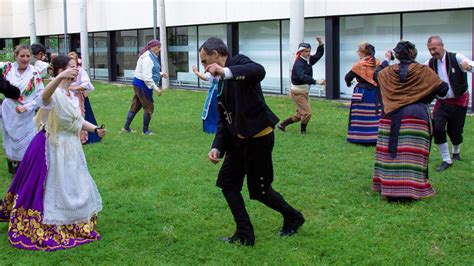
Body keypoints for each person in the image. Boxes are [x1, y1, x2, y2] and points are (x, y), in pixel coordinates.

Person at [201, 37, 304, 246]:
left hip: (259, 138)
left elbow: (258, 71)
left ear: (215, 54)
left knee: (260, 191)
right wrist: (217, 147)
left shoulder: (238, 63)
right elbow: (224, 118)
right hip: (237, 141)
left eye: (205, 61)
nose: (204, 67)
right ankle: (244, 233)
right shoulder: (220, 82)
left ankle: (294, 217)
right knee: (228, 184)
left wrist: (225, 72)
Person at [0, 55, 105, 251]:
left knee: (74, 185)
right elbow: (43, 97)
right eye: (72, 67)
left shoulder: (71, 95)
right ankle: (52, 222)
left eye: (76, 67)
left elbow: (76, 121)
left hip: (70, 146)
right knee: (52, 188)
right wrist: (59, 78)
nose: (76, 70)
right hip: (51, 146)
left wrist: (95, 129)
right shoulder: (54, 92)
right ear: (60, 71)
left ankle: (76, 219)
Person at [372, 41, 448, 200]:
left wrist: (386, 60)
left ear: (397, 55)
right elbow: (443, 88)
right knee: (410, 153)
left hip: (390, 116)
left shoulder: (388, 71)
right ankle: (411, 188)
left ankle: (389, 187)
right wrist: (423, 92)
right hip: (415, 116)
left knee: (392, 153)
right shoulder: (423, 71)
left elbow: (376, 74)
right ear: (414, 54)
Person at [425, 36, 474, 172]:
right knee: (438, 128)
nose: (432, 52)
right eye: (429, 49)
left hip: (459, 100)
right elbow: (417, 72)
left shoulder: (456, 57)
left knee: (456, 132)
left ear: (442, 45)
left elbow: (470, 65)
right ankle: (446, 160)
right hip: (442, 101)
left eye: (434, 48)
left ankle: (456, 152)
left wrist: (469, 67)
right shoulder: (429, 63)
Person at [1, 45, 45, 174]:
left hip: (26, 113)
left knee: (27, 141)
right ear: (16, 56)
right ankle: (13, 168)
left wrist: (27, 107)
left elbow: (41, 96)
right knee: (9, 139)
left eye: (27, 56)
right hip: (9, 111)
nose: (25, 59)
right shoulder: (6, 69)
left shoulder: (34, 73)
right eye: (22, 56)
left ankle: (26, 169)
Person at [277, 37, 325, 134]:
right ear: (300, 52)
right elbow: (302, 77)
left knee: (300, 115)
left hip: (304, 91)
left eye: (309, 51)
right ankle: (303, 131)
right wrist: (316, 81)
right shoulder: (298, 64)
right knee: (307, 113)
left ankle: (282, 125)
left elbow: (318, 55)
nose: (308, 53)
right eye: (306, 51)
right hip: (297, 92)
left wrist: (321, 45)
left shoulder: (307, 59)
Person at [122, 40, 168, 135]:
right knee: (149, 107)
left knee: (136, 106)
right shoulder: (148, 58)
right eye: (158, 47)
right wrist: (156, 89)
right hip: (142, 85)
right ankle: (145, 131)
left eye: (160, 47)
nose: (159, 50)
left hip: (139, 84)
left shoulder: (149, 56)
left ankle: (126, 128)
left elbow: (149, 72)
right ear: (152, 47)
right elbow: (147, 77)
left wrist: (161, 74)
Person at [344, 42, 382, 144]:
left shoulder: (360, 65)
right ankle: (374, 137)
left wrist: (348, 84)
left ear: (362, 52)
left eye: (358, 51)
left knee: (359, 115)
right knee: (374, 114)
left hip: (362, 93)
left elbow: (348, 77)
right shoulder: (378, 63)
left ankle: (359, 137)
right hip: (375, 93)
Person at [68, 51, 101, 144]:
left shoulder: (80, 70)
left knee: (81, 116)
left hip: (78, 97)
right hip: (68, 96)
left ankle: (83, 137)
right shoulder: (65, 72)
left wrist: (74, 88)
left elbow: (86, 83)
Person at [192, 65, 219, 134]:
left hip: (215, 94)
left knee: (213, 109)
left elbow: (204, 77)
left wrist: (195, 71)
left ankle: (213, 127)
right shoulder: (219, 71)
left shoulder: (216, 72)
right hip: (219, 92)